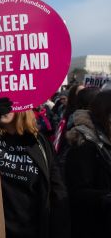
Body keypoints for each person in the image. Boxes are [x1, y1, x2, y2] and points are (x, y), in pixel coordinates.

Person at [0, 98, 69, 238]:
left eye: (9, 103)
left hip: (33, 230)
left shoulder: (40, 142)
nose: (5, 108)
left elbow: (57, 190)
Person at [65, 90, 111, 238]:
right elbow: (76, 193)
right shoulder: (84, 146)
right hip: (95, 227)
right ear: (106, 115)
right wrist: (106, 197)